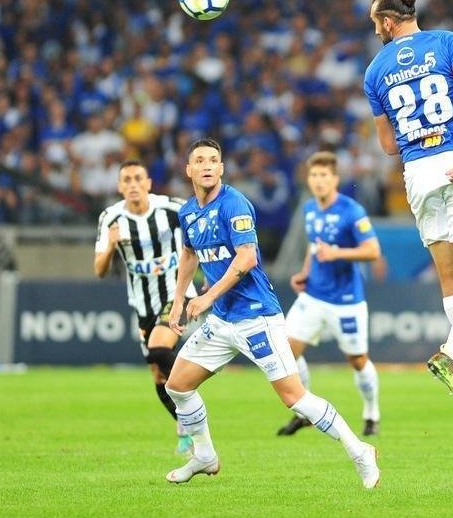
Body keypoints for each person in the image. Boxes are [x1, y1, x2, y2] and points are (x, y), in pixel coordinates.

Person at [162, 139, 379, 487]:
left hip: (257, 317)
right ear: (188, 170)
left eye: (213, 160)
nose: (206, 165)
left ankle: (359, 450)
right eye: (199, 160)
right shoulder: (188, 212)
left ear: (221, 168)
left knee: (294, 398)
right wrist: (178, 301)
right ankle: (204, 456)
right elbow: (188, 254)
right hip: (222, 320)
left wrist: (206, 297)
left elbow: (247, 258)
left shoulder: (234, 204)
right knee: (178, 386)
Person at [362, 0, 453, 413]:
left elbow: (388, 144)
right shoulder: (451, 42)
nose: (376, 30)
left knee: (452, 278)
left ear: (388, 22)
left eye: (375, 23)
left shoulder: (374, 71)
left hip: (417, 172)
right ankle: (450, 351)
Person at [276, 151, 385, 437]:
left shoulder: (352, 211)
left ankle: (371, 413)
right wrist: (305, 273)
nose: (318, 181)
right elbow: (316, 247)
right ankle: (307, 411)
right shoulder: (310, 209)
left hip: (346, 300)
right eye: (314, 175)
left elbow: (373, 251)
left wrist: (337, 253)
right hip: (313, 296)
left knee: (358, 360)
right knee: (287, 350)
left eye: (324, 175)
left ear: (335, 179)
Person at [93, 160, 194, 456]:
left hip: (178, 295)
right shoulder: (111, 218)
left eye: (139, 178)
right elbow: (99, 270)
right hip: (143, 304)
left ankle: (193, 393)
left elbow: (201, 230)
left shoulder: (173, 209)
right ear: (120, 187)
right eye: (127, 180)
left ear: (149, 183)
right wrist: (111, 246)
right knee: (158, 374)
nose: (133, 184)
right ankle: (186, 427)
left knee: (159, 350)